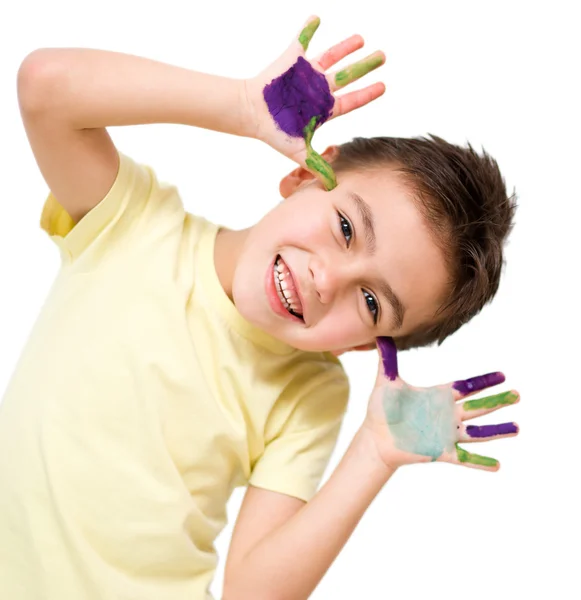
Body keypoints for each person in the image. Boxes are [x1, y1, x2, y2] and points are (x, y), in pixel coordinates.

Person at [0, 15, 519, 600]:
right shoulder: (131, 223)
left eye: (371, 301)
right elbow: (44, 86)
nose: (329, 278)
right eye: (346, 227)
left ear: (357, 345)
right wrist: (241, 106)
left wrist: (373, 453)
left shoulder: (309, 393)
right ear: (303, 175)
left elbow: (251, 591)